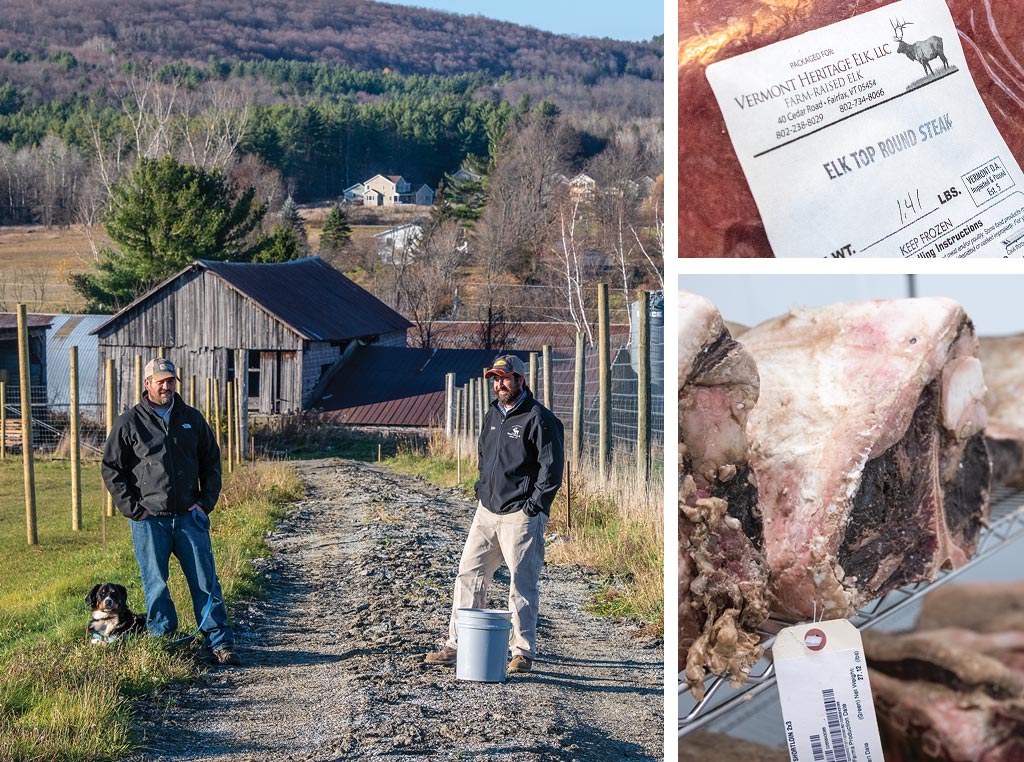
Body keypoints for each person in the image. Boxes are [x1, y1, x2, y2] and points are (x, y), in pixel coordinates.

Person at [424, 353, 564, 674]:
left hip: (521, 515)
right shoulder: (492, 415)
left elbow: (552, 470)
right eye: (495, 379)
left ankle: (523, 652)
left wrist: (534, 507)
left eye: (505, 378)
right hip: (487, 512)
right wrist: (481, 490)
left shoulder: (539, 418)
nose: (499, 384)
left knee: (522, 583)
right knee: (469, 574)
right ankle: (457, 644)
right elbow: (484, 454)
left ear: (520, 380)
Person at [101, 357, 240, 666]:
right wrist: (133, 509)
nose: (166, 386)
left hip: (189, 517)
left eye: (170, 380)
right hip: (150, 520)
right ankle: (163, 642)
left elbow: (211, 463)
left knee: (206, 581)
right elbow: (112, 469)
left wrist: (204, 504)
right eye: (159, 381)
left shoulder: (192, 418)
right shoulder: (129, 422)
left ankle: (219, 642)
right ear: (147, 384)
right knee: (156, 585)